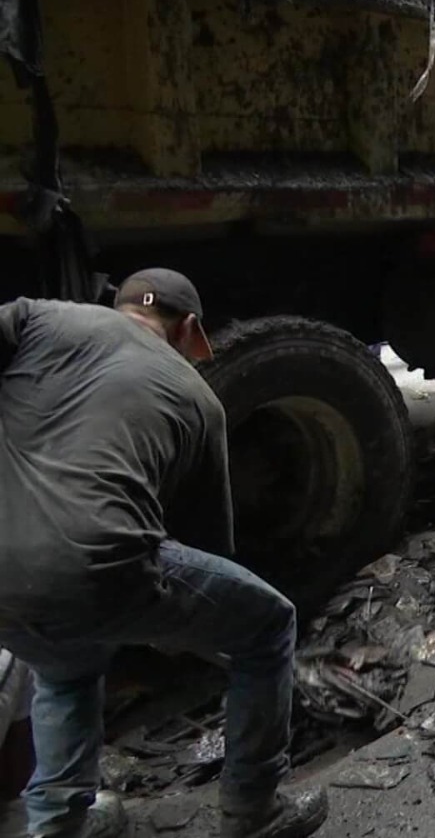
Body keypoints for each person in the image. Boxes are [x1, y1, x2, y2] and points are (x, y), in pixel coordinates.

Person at [0, 270, 327, 838]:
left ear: (118, 306)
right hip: (95, 564)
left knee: (65, 671)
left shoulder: (40, 318)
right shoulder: (199, 398)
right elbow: (204, 550)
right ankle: (253, 808)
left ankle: (59, 823)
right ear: (190, 329)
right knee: (268, 626)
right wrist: (176, 636)